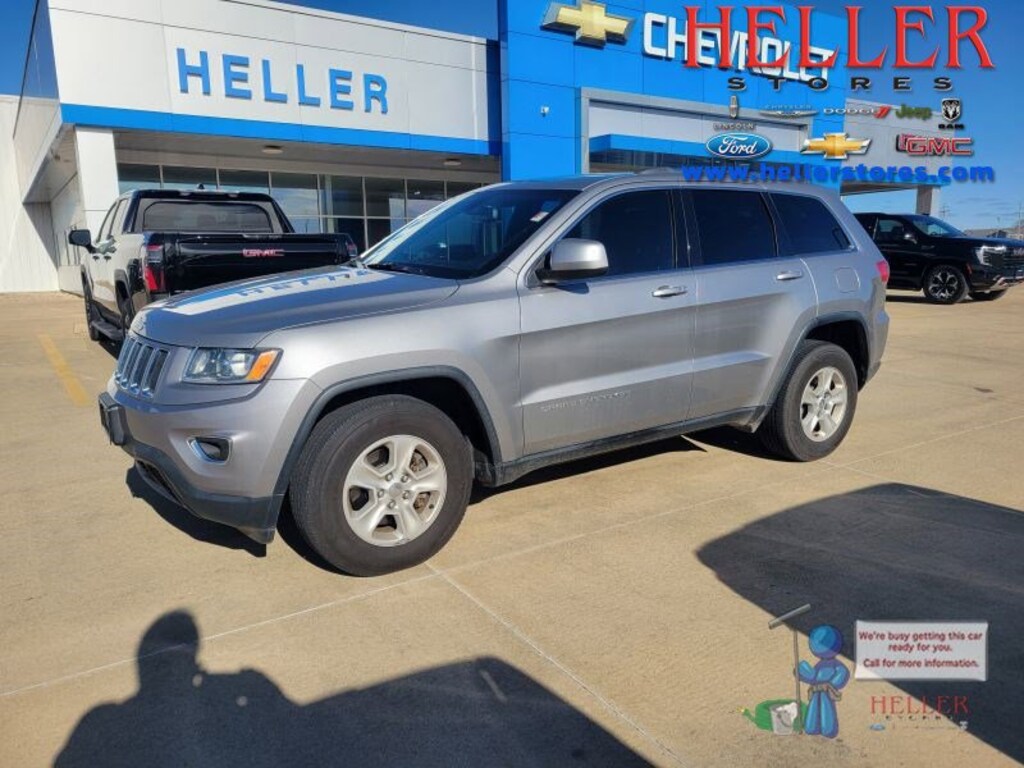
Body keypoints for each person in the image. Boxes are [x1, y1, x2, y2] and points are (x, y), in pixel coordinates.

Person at [798, 624, 849, 738]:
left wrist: (833, 683)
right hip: (816, 691)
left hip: (826, 691)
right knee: (813, 708)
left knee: (826, 708)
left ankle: (828, 729)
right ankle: (811, 727)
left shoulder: (836, 665)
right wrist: (802, 671)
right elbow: (813, 677)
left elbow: (842, 673)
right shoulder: (819, 665)